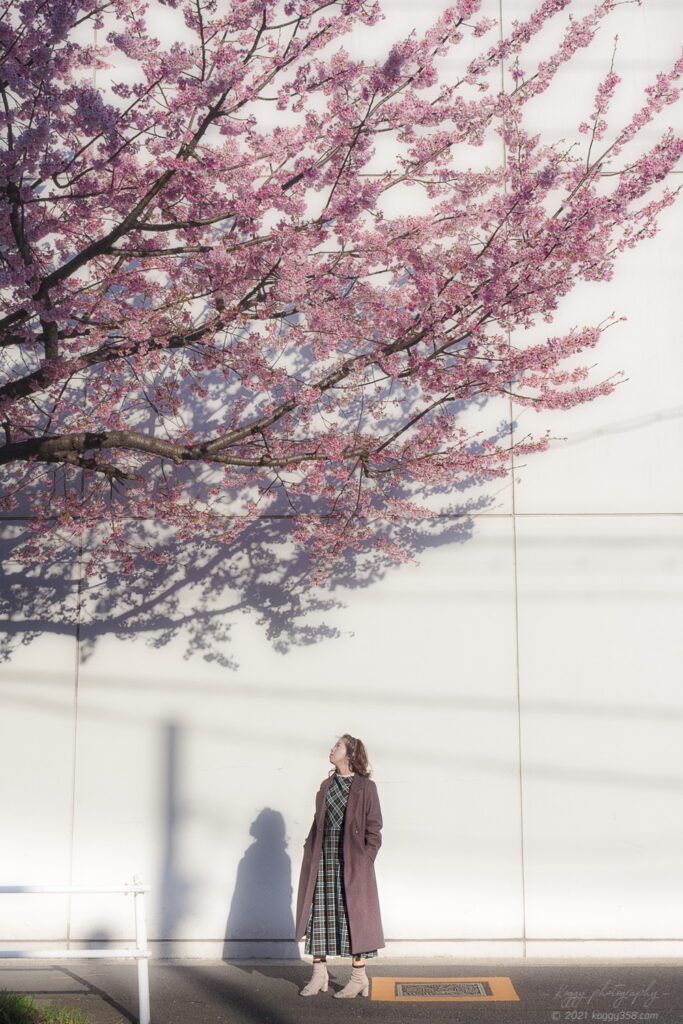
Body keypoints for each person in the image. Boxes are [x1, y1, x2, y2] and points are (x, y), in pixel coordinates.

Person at [295, 733, 384, 998]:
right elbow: (318, 822)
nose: (332, 749)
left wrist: (367, 857)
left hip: (353, 862)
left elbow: (374, 826)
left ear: (351, 754)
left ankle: (358, 977)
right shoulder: (326, 785)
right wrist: (309, 848)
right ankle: (319, 975)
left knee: (351, 916)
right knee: (320, 914)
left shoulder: (366, 787)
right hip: (323, 859)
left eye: (338, 746)